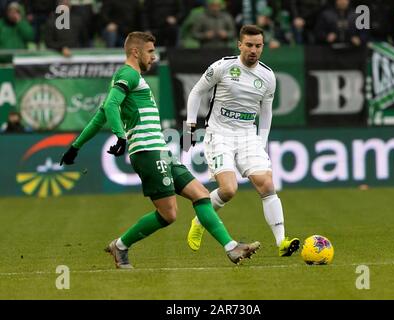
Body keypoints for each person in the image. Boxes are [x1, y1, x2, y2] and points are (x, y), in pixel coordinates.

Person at [59, 31, 260, 269]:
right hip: (147, 151)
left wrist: (75, 146)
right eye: (150, 51)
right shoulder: (128, 73)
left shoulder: (127, 79)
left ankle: (231, 248)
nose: (153, 57)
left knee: (201, 194)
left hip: (160, 150)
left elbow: (100, 115)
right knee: (169, 214)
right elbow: (111, 106)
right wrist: (121, 137)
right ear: (136, 52)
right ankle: (121, 246)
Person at [183, 25, 299, 257]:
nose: (253, 50)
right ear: (239, 45)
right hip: (219, 133)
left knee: (266, 184)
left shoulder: (267, 76)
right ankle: (199, 221)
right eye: (248, 45)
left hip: (248, 135)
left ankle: (281, 242)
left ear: (262, 47)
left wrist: (262, 142)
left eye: (257, 46)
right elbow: (196, 92)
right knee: (228, 189)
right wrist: (190, 124)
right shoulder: (223, 66)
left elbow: (266, 112)